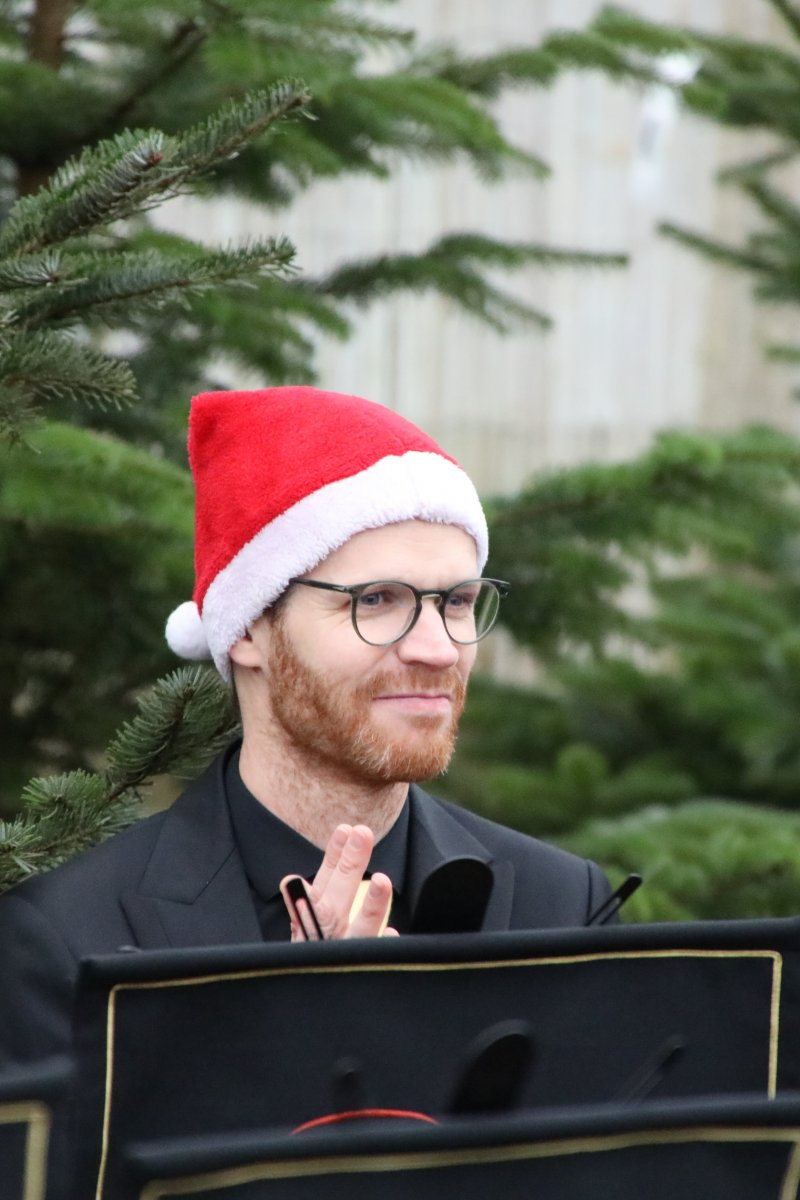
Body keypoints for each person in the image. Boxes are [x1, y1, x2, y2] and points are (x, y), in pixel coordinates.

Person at [0, 386, 613, 1067]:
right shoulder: (70, 940)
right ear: (249, 630)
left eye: (458, 602)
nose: (438, 649)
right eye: (376, 600)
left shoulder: (561, 908)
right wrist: (300, 1030)